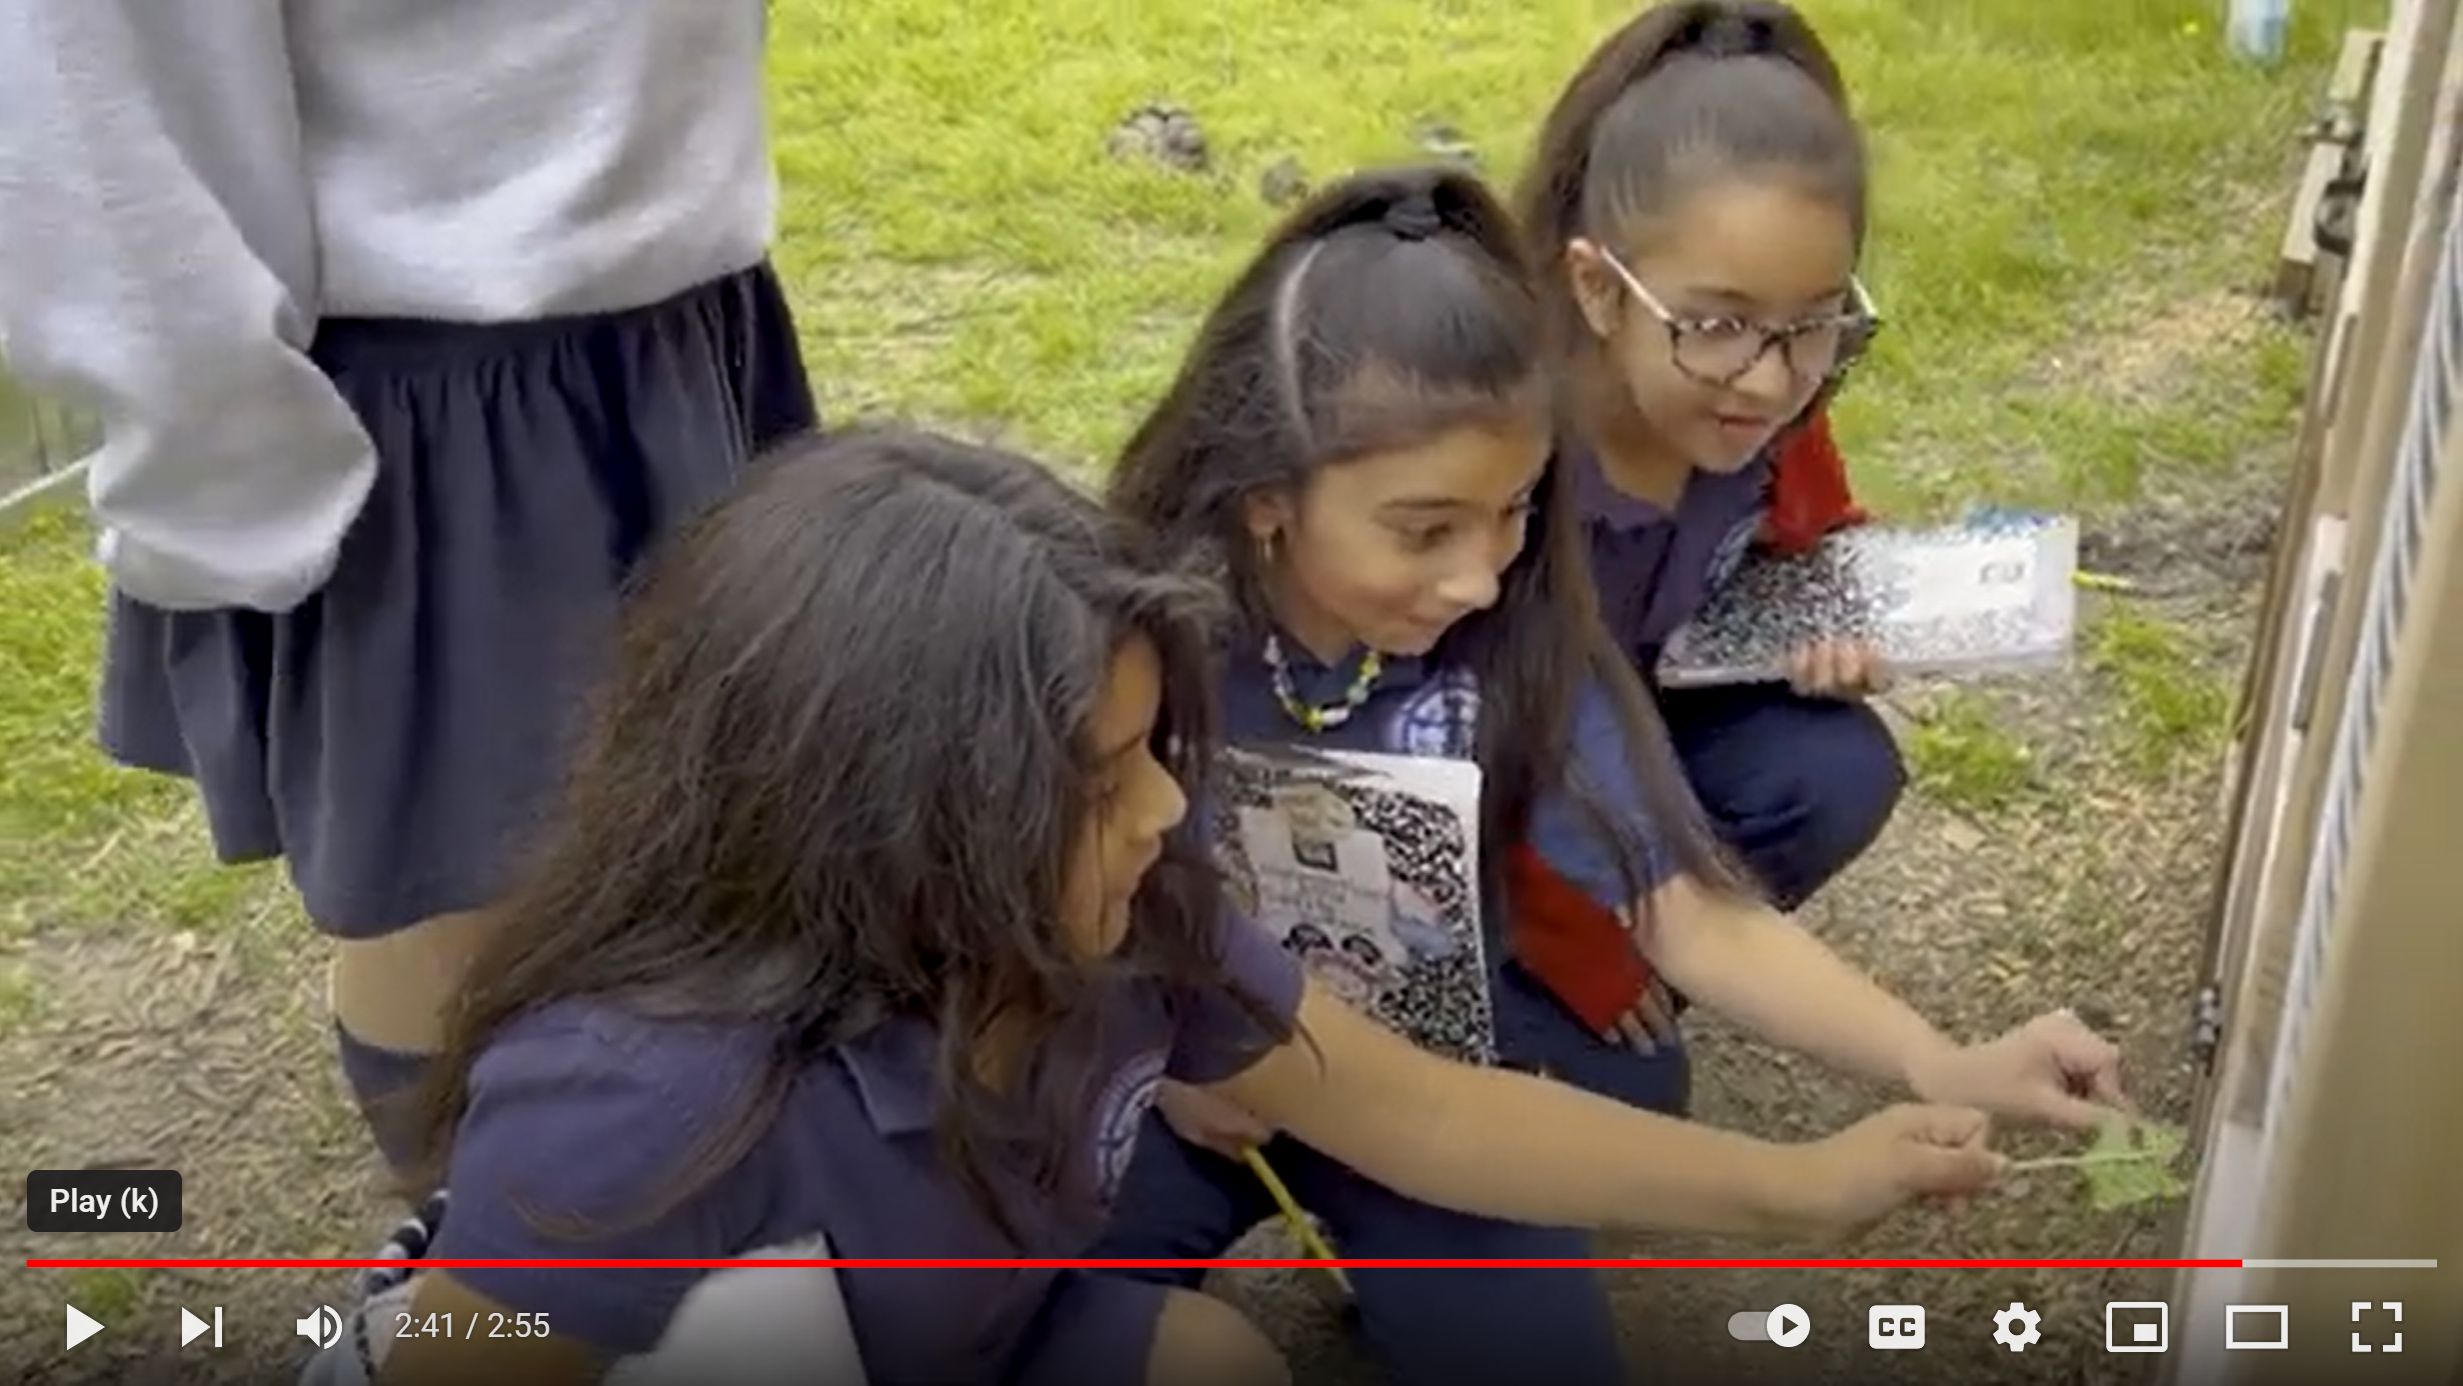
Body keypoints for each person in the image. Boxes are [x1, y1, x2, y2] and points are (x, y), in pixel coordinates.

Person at [332, 427, 2003, 1386]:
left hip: (972, 1327)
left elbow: (1425, 1116)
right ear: (886, 820)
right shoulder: (648, 1099)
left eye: (1155, 750)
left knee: (1222, 1370)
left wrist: (1798, 1187)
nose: (1159, 809)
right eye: (1099, 774)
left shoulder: (1123, 920)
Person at [1091, 164, 2125, 1386]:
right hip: (1166, 1090)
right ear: (1268, 495)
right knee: (1000, 1310)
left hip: (1424, 1096)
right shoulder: (1132, 645)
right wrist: (1147, 1058)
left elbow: (1684, 905)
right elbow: (1009, 926)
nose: (1480, 574)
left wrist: (1936, 1060)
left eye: (1517, 510)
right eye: (1424, 529)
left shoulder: (1512, 632)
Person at [0, 0, 815, 1174]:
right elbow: (102, 105)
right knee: (471, 898)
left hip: (680, 307)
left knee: (676, 826)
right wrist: (234, 460)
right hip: (430, 393)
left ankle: (602, 1194)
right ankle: (481, 1250)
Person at [1515, 0, 1902, 921]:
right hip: (1504, 761)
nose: (1769, 384)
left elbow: (1803, 545)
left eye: (1810, 323)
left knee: (1834, 772)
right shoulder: (1503, 444)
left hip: (1646, 724)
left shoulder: (1765, 407)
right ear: (1600, 290)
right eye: (1717, 324)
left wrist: (1815, 630)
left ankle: (1658, 954)